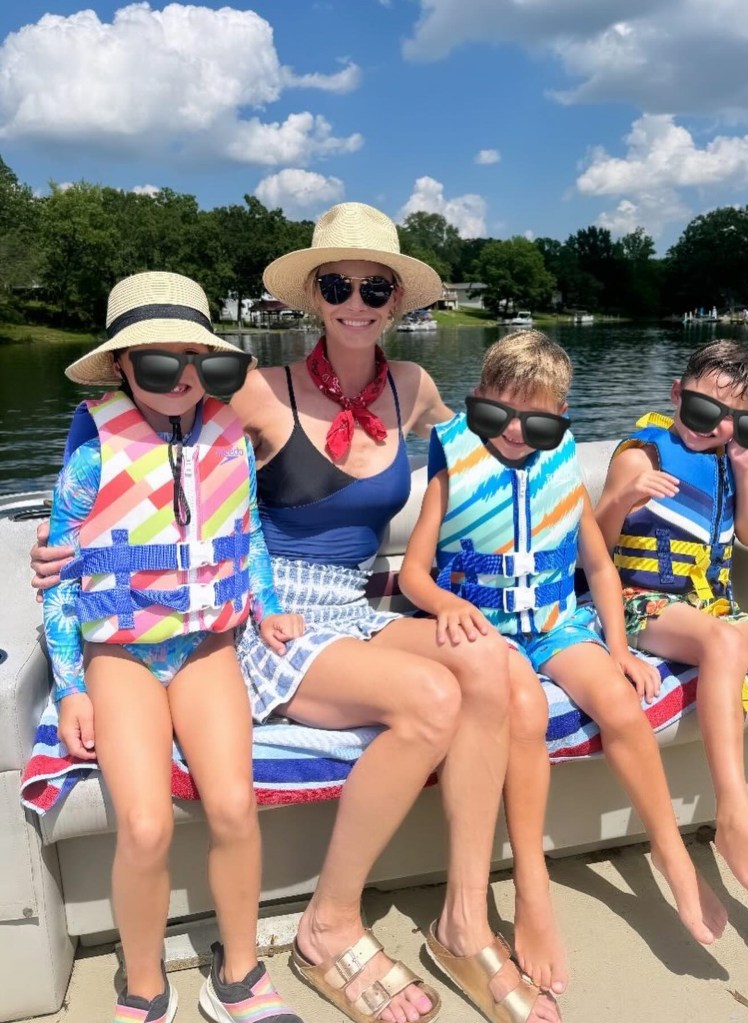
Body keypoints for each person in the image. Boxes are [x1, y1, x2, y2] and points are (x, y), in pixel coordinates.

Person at [33, 206, 560, 1023]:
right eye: (340, 283)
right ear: (314, 294)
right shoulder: (243, 385)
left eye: (376, 285)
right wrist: (64, 549)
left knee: (498, 664)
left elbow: (497, 443)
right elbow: (138, 473)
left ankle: (468, 914)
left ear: (398, 300)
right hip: (269, 616)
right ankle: (329, 924)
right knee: (435, 697)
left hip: (353, 601)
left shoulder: (411, 388)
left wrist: (616, 475)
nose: (358, 298)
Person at [400, 330, 730, 993]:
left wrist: (617, 647)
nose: (517, 432)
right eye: (499, 414)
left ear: (560, 419)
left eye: (538, 420)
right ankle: (532, 888)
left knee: (618, 701)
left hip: (554, 621)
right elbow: (412, 573)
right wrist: (444, 605)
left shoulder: (561, 472)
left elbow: (599, 565)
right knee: (523, 708)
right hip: (488, 633)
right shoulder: (453, 467)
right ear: (480, 402)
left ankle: (675, 858)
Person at [42, 271, 306, 1023]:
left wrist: (267, 609)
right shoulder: (94, 455)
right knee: (148, 825)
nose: (186, 380)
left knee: (232, 806)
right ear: (122, 366)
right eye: (160, 364)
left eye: (204, 363)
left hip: (205, 646)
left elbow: (247, 533)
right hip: (122, 654)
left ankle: (240, 974)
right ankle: (144, 981)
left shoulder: (231, 436)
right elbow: (60, 579)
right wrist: (71, 689)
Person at [595, 338, 748, 903]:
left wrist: (745, 468)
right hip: (639, 603)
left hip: (710, 605)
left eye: (730, 422)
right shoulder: (642, 453)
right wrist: (622, 499)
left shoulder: (728, 458)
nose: (711, 428)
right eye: (699, 410)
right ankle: (732, 816)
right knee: (723, 644)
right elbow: (592, 549)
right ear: (677, 394)